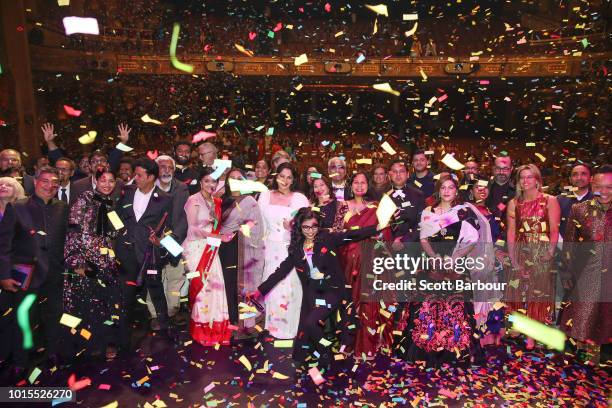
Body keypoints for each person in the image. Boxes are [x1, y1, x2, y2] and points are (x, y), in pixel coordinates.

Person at [248, 208, 384, 369]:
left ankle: (325, 349)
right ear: (299, 227)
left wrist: (376, 227)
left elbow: (351, 235)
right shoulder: (296, 248)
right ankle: (324, 352)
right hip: (313, 293)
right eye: (306, 227)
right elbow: (281, 272)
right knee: (308, 327)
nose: (310, 231)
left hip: (332, 290)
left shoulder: (327, 238)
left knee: (312, 323)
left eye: (314, 226)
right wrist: (260, 291)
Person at [407, 174, 491, 365]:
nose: (446, 191)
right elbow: (423, 239)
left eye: (450, 187)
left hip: (456, 266)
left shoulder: (463, 212)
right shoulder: (428, 211)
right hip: (432, 265)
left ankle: (455, 350)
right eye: (443, 187)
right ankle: (428, 349)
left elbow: (472, 239)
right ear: (438, 190)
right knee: (428, 307)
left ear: (456, 190)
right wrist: (435, 258)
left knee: (456, 309)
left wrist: (455, 259)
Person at [0, 167, 68, 381]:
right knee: (23, 319)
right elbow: (4, 245)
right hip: (25, 274)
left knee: (54, 317)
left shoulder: (63, 208)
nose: (50, 186)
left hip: (55, 273)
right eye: (45, 181)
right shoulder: (17, 207)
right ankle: (20, 362)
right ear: (36, 182)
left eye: (54, 183)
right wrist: (3, 274)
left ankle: (52, 354)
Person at [114, 158, 176, 351]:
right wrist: (120, 232)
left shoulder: (165, 198)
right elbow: (115, 215)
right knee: (126, 296)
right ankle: (124, 338)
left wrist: (162, 243)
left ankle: (165, 327)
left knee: (156, 291)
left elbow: (170, 228)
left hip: (150, 254)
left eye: (140, 175)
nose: (136, 178)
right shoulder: (126, 192)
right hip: (126, 253)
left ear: (151, 177)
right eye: (135, 174)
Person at [334, 171, 394, 360]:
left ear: (368, 185)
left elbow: (385, 234)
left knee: (369, 302)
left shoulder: (376, 207)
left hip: (370, 261)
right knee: (350, 303)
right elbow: (337, 234)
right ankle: (348, 342)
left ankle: (368, 343)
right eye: (356, 183)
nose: (360, 186)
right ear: (350, 186)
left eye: (363, 182)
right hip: (348, 262)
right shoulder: (343, 206)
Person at [62, 168, 121, 360]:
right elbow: (73, 231)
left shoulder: (111, 203)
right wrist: (77, 261)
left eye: (111, 181)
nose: (107, 184)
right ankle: (88, 346)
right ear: (95, 180)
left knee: (106, 303)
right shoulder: (84, 199)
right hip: (85, 261)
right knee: (86, 304)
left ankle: (105, 344)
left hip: (105, 261)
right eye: (103, 180)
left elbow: (114, 232)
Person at [559, 165, 611, 363]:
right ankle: (579, 359)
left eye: (610, 187)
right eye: (600, 187)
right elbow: (570, 246)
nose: (604, 192)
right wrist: (567, 275)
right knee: (581, 322)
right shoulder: (579, 209)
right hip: (585, 276)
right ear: (592, 184)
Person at [506, 164, 560, 350]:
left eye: (530, 177)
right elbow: (511, 234)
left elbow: (554, 229)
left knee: (538, 295)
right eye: (522, 177)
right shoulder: (514, 203)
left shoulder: (550, 200)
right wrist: (513, 259)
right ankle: (519, 329)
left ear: (537, 179)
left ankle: (533, 336)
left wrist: (550, 252)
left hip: (543, 252)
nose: (525, 180)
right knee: (518, 293)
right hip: (522, 252)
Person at [183, 166, 234, 346]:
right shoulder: (193, 200)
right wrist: (215, 236)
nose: (211, 185)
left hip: (212, 247)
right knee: (203, 289)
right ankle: (202, 330)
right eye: (207, 181)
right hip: (196, 248)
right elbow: (192, 229)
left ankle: (217, 330)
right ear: (200, 182)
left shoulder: (216, 202)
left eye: (214, 181)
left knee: (216, 288)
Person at [257, 162, 309, 339]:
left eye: (289, 177)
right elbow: (260, 224)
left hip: (290, 247)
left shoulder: (300, 199)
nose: (285, 181)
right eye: (282, 176)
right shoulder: (264, 196)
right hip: (269, 247)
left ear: (293, 180)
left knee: (290, 287)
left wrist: (292, 228)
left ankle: (290, 327)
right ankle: (271, 327)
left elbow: (308, 227)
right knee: (271, 285)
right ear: (275, 176)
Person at [218, 168, 264, 338]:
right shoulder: (221, 199)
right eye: (232, 178)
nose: (236, 181)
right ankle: (231, 321)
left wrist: (236, 233)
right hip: (223, 249)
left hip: (242, 248)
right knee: (227, 285)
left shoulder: (249, 201)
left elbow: (256, 226)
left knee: (242, 286)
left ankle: (245, 323)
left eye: (239, 178)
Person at [145, 155, 189, 327]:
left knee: (176, 277)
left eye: (170, 167)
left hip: (175, 238)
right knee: (154, 276)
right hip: (152, 238)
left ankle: (171, 311)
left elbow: (184, 216)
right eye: (162, 167)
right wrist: (155, 237)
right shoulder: (148, 187)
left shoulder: (182, 188)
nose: (166, 170)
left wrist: (173, 238)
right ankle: (155, 314)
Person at [557, 163, 593, 240]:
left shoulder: (599, 200)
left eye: (583, 174)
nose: (579, 178)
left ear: (591, 178)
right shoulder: (558, 200)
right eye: (575, 175)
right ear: (570, 179)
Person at [486, 155, 515, 232]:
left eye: (505, 169)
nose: (501, 172)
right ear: (493, 168)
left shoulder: (518, 192)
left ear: (511, 169)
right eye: (498, 168)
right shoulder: (481, 189)